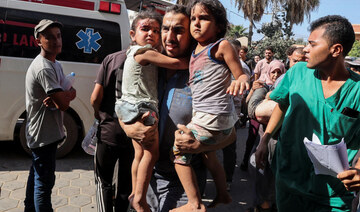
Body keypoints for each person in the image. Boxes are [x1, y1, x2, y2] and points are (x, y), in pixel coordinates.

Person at [120, 5, 236, 212]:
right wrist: (127, 127)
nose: (169, 36)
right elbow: (119, 105)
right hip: (146, 178)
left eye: (179, 30)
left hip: (184, 182)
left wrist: (200, 147)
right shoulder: (145, 63)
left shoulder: (207, 73)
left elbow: (231, 133)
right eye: (165, 28)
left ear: (191, 33)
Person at [256, 15, 360, 211]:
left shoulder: (357, 90)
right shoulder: (297, 73)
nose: (305, 49)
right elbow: (282, 105)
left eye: (312, 44)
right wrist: (265, 139)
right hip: (289, 179)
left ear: (335, 50)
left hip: (334, 193)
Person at [171, 0, 249, 211]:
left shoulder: (221, 46)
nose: (196, 23)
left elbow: (240, 73)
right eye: (193, 19)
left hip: (214, 114)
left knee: (179, 152)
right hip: (205, 115)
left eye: (204, 18)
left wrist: (240, 80)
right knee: (210, 157)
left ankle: (194, 203)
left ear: (219, 25)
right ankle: (223, 194)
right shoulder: (195, 50)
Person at [115, 10, 189, 212]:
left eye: (156, 30)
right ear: (132, 34)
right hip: (143, 107)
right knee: (151, 153)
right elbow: (175, 62)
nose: (151, 34)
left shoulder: (132, 53)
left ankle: (134, 192)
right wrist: (196, 61)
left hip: (129, 106)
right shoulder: (145, 52)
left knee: (139, 154)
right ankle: (139, 198)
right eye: (145, 29)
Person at [24, 19, 76, 211]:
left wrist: (65, 94)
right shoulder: (44, 67)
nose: (56, 41)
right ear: (38, 41)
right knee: (44, 184)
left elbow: (70, 92)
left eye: (58, 36)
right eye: (49, 37)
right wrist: (63, 96)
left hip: (48, 131)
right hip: (43, 134)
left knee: (37, 175)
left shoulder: (56, 64)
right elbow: (63, 104)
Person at [90, 49, 134, 211]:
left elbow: (95, 98)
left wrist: (98, 115)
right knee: (126, 182)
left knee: (104, 181)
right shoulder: (154, 62)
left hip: (109, 131)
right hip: (134, 135)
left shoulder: (112, 58)